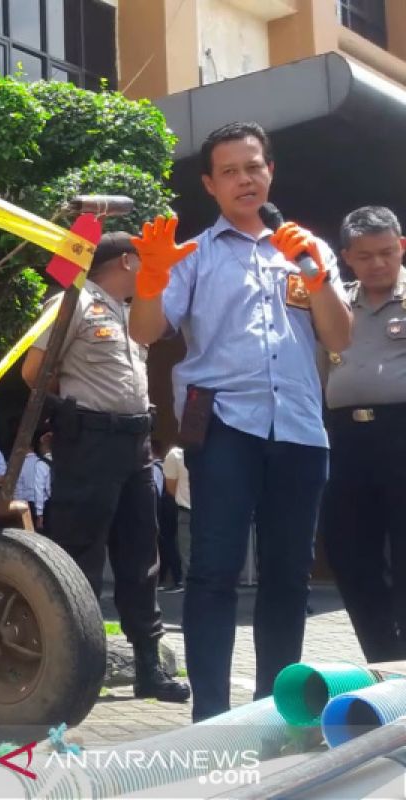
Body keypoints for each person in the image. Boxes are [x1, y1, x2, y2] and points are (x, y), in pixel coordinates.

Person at [129, 121, 352, 721]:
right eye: (229, 171)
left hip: (301, 428)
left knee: (288, 577)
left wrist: (315, 274)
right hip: (224, 422)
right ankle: (213, 718)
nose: (244, 179)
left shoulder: (309, 247)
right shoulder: (196, 255)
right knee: (214, 571)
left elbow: (338, 336)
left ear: (270, 171)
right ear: (211, 184)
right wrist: (150, 280)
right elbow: (146, 332)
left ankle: (275, 715)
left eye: (253, 166)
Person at [22, 231, 190, 703]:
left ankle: (147, 669)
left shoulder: (132, 314)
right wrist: (73, 413)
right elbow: (35, 372)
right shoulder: (72, 301)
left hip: (136, 444)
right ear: (127, 262)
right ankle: (76, 671)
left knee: (142, 559)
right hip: (91, 442)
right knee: (81, 557)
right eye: (144, 261)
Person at [319, 206, 406, 662]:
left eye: (387, 253)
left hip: (402, 434)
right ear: (347, 257)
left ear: (402, 247)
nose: (378, 264)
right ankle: (384, 659)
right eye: (366, 255)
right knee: (350, 555)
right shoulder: (335, 303)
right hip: (346, 440)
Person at [151, 439, 183, 592]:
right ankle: (165, 579)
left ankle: (175, 579)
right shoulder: (163, 467)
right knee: (167, 544)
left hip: (164, 511)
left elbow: (156, 491)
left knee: (168, 544)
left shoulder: (155, 468)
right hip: (170, 509)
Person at [162, 442, 192, 584]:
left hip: (186, 509)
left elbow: (171, 488)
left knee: (187, 555)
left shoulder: (176, 456)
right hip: (205, 511)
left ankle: (191, 588)